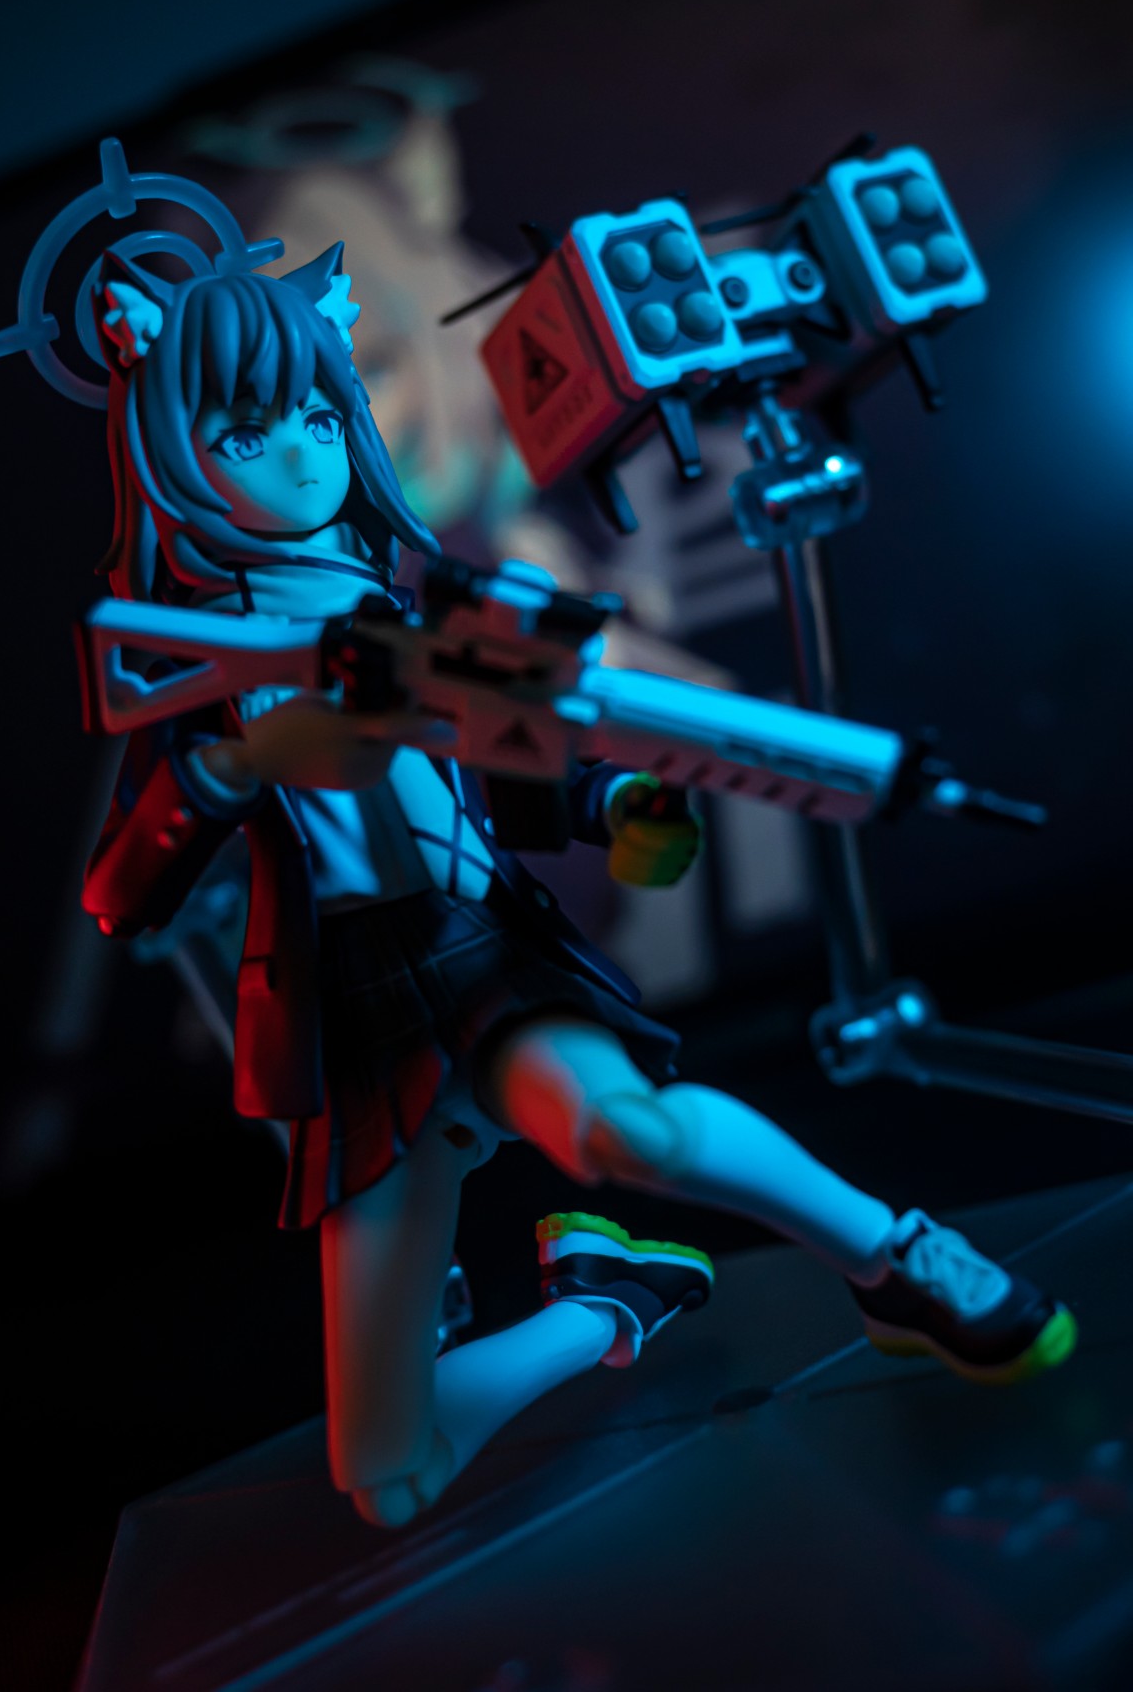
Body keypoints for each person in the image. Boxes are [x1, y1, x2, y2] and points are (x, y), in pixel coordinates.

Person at [82, 245, 1075, 1530]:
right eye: (244, 431)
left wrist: (623, 808)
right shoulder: (190, 664)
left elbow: (522, 765)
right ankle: (609, 1302)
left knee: (629, 1133)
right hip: (351, 1013)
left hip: (474, 949)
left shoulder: (415, 612)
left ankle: (894, 1260)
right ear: (175, 454)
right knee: (388, 1479)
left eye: (320, 417)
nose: (301, 456)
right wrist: (242, 761)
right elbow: (122, 891)